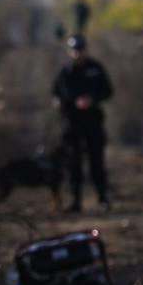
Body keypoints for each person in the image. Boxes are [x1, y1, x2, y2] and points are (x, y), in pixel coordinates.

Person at [50, 34, 113, 212]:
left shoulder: (96, 68)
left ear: (85, 50)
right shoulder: (63, 71)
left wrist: (92, 99)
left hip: (93, 122)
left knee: (96, 163)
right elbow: (54, 93)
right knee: (73, 165)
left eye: (80, 50)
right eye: (74, 50)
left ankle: (102, 199)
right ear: (70, 51)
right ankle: (75, 201)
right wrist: (57, 102)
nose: (78, 53)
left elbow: (108, 91)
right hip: (71, 125)